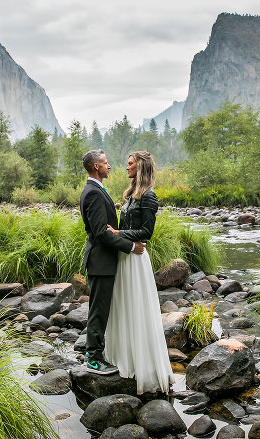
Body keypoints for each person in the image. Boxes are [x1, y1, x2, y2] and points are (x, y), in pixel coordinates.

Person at [104, 151, 174, 394]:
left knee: (138, 308)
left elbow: (146, 232)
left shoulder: (149, 196)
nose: (126, 167)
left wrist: (118, 234)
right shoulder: (130, 195)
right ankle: (124, 360)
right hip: (125, 256)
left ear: (141, 167)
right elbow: (124, 228)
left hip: (137, 259)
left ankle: (145, 367)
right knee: (123, 306)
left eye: (130, 164)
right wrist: (119, 234)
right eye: (127, 164)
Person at [79, 149, 145, 375]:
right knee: (99, 310)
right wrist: (130, 246)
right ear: (96, 167)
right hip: (101, 261)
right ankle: (93, 359)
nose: (110, 166)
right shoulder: (93, 193)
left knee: (102, 308)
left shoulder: (96, 190)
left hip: (104, 261)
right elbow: (100, 233)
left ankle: (99, 353)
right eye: (105, 163)